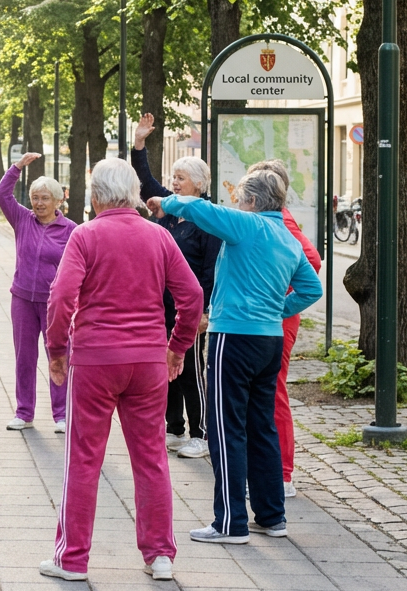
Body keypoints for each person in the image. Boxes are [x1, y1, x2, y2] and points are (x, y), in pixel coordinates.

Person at [41, 159, 203, 582]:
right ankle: (160, 555)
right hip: (148, 360)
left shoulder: (85, 236)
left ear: (95, 197)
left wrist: (57, 349)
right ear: (133, 194)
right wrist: (177, 346)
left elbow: (61, 298)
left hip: (95, 360)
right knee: (151, 459)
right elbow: (192, 295)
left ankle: (72, 559)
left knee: (84, 459)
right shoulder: (159, 236)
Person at [148, 168, 322, 544]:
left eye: (240, 198)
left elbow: (200, 209)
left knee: (226, 430)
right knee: (262, 427)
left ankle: (230, 522)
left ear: (253, 202)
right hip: (269, 341)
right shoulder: (288, 238)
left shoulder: (248, 225)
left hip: (234, 336)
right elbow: (312, 288)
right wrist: (278, 308)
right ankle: (272, 516)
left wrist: (166, 202)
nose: (236, 204)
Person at [132, 113, 221, 459]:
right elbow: (146, 183)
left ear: (198, 184)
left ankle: (201, 432)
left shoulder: (208, 219)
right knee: (166, 365)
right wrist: (139, 144)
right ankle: (174, 427)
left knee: (191, 370)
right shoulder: (170, 211)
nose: (175, 183)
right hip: (162, 306)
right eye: (174, 177)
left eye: (181, 178)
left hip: (192, 309)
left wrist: (205, 310)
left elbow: (213, 269)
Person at [247, 159, 322, 497]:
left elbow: (313, 261)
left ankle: (282, 475)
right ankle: (268, 471)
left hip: (277, 320)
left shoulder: (282, 222)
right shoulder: (267, 220)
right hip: (266, 318)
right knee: (263, 393)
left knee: (272, 393)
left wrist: (280, 302)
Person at [0, 153, 75, 433]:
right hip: (23, 300)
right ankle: (24, 412)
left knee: (59, 356)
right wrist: (17, 168)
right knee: (24, 357)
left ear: (57, 201)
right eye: (35, 197)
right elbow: (2, 194)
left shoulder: (71, 230)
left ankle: (62, 414)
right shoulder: (22, 219)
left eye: (45, 198)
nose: (39, 203)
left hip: (55, 305)